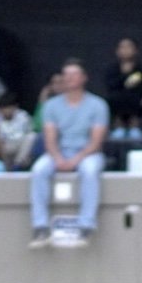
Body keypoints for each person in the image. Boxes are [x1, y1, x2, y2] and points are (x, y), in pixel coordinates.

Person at [28, 59, 110, 249]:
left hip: (87, 153)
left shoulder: (98, 105)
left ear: (84, 78)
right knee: (39, 169)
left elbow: (96, 142)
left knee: (90, 171)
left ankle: (86, 226)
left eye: (74, 74)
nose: (69, 79)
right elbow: (49, 139)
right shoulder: (51, 106)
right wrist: (58, 158)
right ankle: (40, 226)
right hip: (59, 151)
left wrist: (75, 160)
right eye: (66, 75)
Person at [105, 37, 142, 139]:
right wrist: (125, 75)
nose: (126, 50)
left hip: (136, 116)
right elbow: (111, 88)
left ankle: (134, 126)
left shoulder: (141, 70)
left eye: (129, 47)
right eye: (123, 47)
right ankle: (118, 127)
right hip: (117, 114)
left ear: (135, 50)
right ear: (117, 51)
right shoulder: (112, 70)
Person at [0, 92, 37, 170]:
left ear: (15, 107)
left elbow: (29, 133)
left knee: (32, 136)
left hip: (21, 145)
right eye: (3, 108)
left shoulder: (23, 116)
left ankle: (17, 165)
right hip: (6, 146)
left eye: (8, 108)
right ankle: (2, 167)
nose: (6, 111)